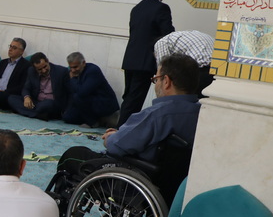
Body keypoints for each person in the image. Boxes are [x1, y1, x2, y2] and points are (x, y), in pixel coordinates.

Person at [54, 53, 202, 179]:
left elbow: (117, 146)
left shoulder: (158, 114)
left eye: (156, 79)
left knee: (73, 154)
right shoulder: (201, 114)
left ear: (167, 81)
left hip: (136, 173)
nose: (156, 84)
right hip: (170, 181)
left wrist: (111, 138)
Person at [119, 0, 174, 126]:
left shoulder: (136, 8)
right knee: (135, 99)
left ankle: (120, 129)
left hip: (130, 59)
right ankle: (122, 131)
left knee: (128, 97)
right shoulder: (162, 8)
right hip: (145, 61)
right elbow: (168, 34)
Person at [61, 52, 120, 127]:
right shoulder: (74, 72)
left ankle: (92, 122)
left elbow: (82, 93)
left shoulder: (93, 71)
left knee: (78, 97)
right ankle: (96, 120)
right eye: (71, 68)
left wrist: (73, 79)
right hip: (88, 104)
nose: (73, 70)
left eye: (75, 67)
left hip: (104, 103)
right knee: (68, 117)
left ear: (83, 63)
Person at [8, 52, 68, 121]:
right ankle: (38, 115)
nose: (44, 70)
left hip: (51, 102)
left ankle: (29, 112)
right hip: (36, 102)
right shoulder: (31, 71)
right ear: (35, 69)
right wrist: (27, 97)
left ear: (47, 61)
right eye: (40, 69)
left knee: (45, 105)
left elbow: (68, 93)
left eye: (45, 67)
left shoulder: (61, 71)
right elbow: (26, 88)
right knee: (12, 98)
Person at [155, 29, 216, 96]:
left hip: (202, 70)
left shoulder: (160, 43)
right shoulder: (185, 35)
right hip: (218, 71)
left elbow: (162, 73)